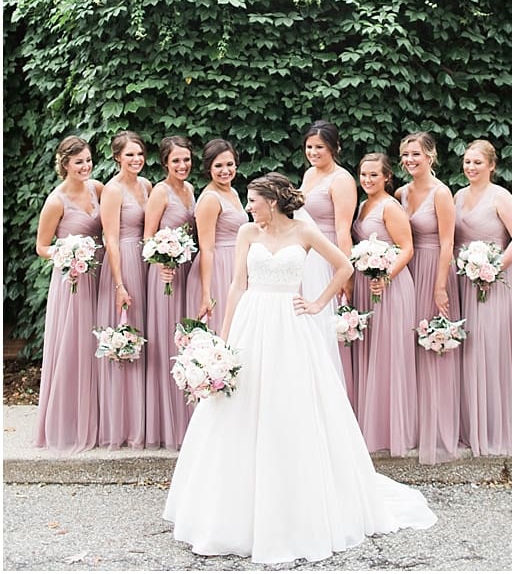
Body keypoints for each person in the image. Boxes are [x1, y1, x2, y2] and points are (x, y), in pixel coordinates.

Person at [163, 172, 436, 564]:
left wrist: (317, 304)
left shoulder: (303, 233)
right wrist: (222, 341)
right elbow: (237, 285)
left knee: (292, 405)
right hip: (252, 322)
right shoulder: (247, 234)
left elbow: (344, 266)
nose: (249, 205)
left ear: (271, 201)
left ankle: (299, 502)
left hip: (291, 325)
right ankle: (231, 509)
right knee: (240, 407)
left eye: (253, 199)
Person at [453, 140, 512, 456]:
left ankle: (495, 428)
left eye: (477, 163)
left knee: (491, 347)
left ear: (491, 166)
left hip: (495, 282)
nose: (470, 168)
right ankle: (470, 426)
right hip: (464, 280)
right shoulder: (457, 196)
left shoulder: (501, 197)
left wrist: (493, 269)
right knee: (469, 348)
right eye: (467, 162)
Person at [34, 136, 105, 453]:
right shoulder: (56, 200)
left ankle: (101, 417)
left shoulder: (98, 189)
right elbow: (41, 247)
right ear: (65, 164)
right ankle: (70, 421)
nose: (85, 166)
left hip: (99, 274)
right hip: (72, 280)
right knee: (73, 345)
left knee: (96, 343)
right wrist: (69, 253)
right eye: (79, 162)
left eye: (88, 160)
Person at [396, 132, 461, 463]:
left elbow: (448, 241)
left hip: (435, 268)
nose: (410, 160)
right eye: (406, 154)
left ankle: (438, 426)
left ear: (431, 156)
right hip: (408, 272)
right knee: (410, 346)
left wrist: (439, 286)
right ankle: (413, 422)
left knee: (433, 345)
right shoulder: (400, 193)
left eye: (416, 154)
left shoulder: (442, 193)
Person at [353, 152, 417, 455]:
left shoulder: (390, 207)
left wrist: (386, 276)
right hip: (370, 284)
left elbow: (407, 249)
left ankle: (395, 431)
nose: (367, 180)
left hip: (391, 285)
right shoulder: (364, 205)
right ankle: (373, 425)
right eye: (363, 174)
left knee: (391, 354)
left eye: (373, 175)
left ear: (387, 177)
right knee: (373, 353)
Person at [96, 130, 152, 449]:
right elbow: (111, 239)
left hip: (146, 260)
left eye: (139, 153)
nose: (136, 159)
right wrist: (119, 283)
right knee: (126, 333)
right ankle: (123, 424)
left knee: (145, 334)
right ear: (117, 157)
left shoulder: (145, 186)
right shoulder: (113, 191)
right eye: (129, 154)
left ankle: (144, 417)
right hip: (124, 262)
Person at [296, 120, 358, 393]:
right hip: (305, 255)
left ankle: (331, 392)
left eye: (319, 147)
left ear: (334, 147)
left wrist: (343, 274)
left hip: (327, 254)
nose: (313, 152)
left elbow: (344, 230)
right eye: (309, 147)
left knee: (324, 322)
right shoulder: (310, 174)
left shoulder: (342, 180)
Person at [143, 135, 196, 447]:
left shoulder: (189, 190)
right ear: (165, 163)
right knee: (167, 341)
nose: (182, 165)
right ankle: (166, 423)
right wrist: (162, 261)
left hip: (186, 271)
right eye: (176, 160)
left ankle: (188, 415)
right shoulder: (160, 192)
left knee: (186, 339)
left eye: (187, 159)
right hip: (164, 274)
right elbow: (147, 238)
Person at [190, 139, 247, 330]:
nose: (225, 170)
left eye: (230, 164)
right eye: (218, 166)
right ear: (209, 168)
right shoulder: (210, 199)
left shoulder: (233, 191)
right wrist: (206, 292)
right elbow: (207, 248)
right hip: (218, 269)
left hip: (237, 263)